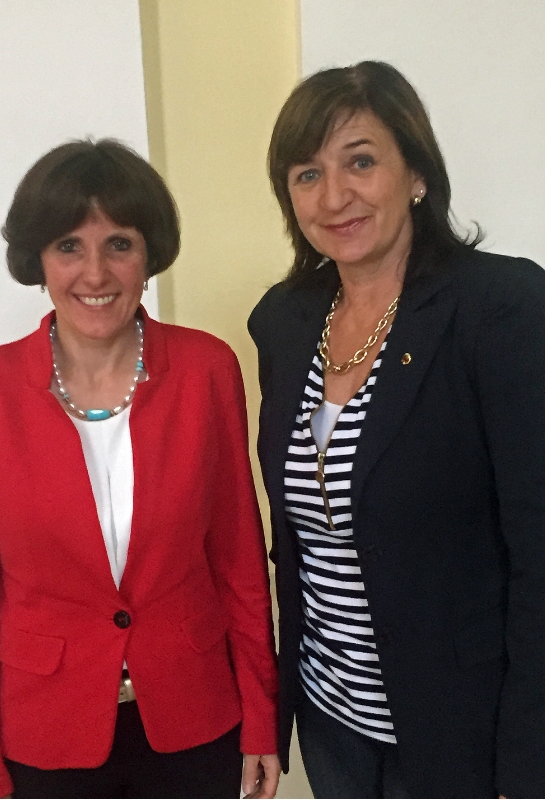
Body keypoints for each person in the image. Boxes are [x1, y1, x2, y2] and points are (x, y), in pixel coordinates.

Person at [0, 139, 280, 799]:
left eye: (119, 244)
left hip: (195, 722)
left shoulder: (206, 369)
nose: (95, 273)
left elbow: (238, 563)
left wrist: (262, 719)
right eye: (69, 246)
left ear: (149, 254)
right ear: (39, 259)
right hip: (45, 733)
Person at [248, 60, 545, 799]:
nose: (334, 196)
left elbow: (538, 555)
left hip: (461, 730)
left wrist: (527, 764)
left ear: (416, 172)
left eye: (360, 162)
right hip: (332, 723)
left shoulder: (500, 306)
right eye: (307, 174)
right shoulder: (284, 321)